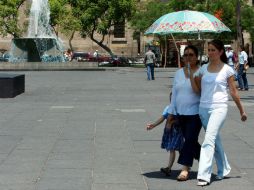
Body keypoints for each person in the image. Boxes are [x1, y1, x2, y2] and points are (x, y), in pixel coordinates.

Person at [195, 39, 247, 186]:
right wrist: (192, 76)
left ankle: (204, 175)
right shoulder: (203, 68)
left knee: (208, 139)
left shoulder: (227, 69)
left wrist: (241, 111)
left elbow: (234, 92)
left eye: (213, 50)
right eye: (209, 50)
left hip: (219, 108)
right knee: (215, 140)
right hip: (203, 108)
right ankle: (224, 169)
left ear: (220, 52)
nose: (210, 53)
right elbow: (197, 85)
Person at [166, 45, 202, 181]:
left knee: (189, 141)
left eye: (191, 55)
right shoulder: (178, 73)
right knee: (191, 141)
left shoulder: (201, 72)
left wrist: (192, 75)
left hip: (196, 113)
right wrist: (171, 113)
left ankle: (185, 169)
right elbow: (174, 94)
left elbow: (199, 91)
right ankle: (206, 159)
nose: (188, 57)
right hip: (180, 113)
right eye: (185, 55)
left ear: (197, 57)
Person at [146, 94, 184, 176]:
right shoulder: (168, 107)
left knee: (179, 149)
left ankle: (184, 166)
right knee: (172, 149)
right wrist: (153, 125)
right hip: (170, 132)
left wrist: (174, 122)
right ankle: (170, 168)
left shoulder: (181, 108)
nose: (172, 100)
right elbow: (162, 118)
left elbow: (183, 120)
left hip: (178, 132)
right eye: (171, 98)